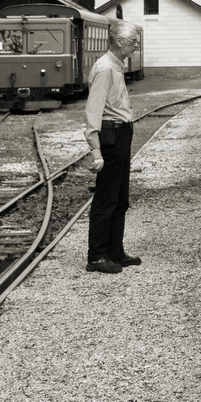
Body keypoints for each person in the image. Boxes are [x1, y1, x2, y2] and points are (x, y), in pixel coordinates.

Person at [83, 20, 142, 274]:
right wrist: (96, 151)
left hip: (121, 134)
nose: (135, 46)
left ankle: (115, 251)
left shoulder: (115, 67)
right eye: (132, 42)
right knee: (106, 199)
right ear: (119, 41)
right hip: (111, 136)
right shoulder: (105, 69)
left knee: (119, 198)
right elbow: (93, 112)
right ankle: (96, 257)